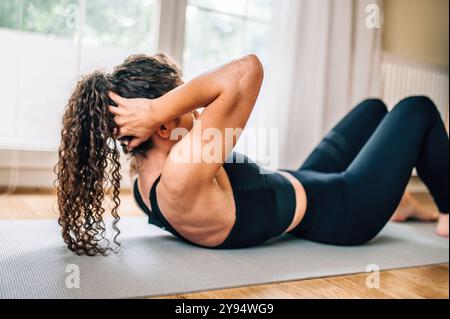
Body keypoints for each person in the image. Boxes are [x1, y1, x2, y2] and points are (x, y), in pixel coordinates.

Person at [55, 54, 449, 256]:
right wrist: (159, 107)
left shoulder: (146, 177)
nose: (197, 115)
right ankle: (444, 212)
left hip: (301, 180)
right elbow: (247, 71)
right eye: (185, 108)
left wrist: (161, 111)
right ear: (160, 125)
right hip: (344, 209)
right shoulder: (180, 175)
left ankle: (398, 201)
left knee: (374, 108)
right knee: (417, 108)